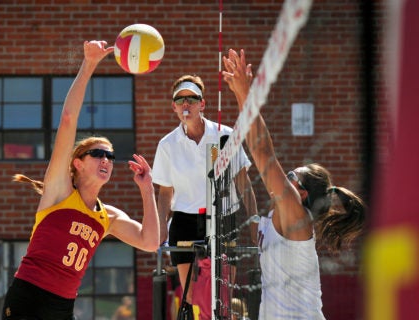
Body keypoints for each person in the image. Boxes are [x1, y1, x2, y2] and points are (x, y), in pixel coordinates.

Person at [1, 40, 160, 320]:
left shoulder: (107, 216)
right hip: (30, 296)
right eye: (98, 153)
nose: (106, 160)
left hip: (63, 305)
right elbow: (67, 119)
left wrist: (147, 190)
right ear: (77, 162)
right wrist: (89, 64)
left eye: (110, 156)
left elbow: (150, 242)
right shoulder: (60, 191)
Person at [222, 48, 365, 319]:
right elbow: (255, 230)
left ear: (300, 193)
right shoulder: (282, 220)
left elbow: (264, 154)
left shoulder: (298, 218)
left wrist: (245, 93)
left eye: (291, 176)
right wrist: (240, 178)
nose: (285, 176)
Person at [151, 74, 258, 315]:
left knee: (222, 295)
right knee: (191, 293)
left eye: (192, 98)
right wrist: (160, 228)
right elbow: (165, 192)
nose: (186, 104)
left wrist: (254, 221)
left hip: (223, 219)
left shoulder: (225, 135)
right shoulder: (167, 144)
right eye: (180, 100)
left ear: (203, 104)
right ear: (174, 107)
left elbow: (244, 183)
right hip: (185, 221)